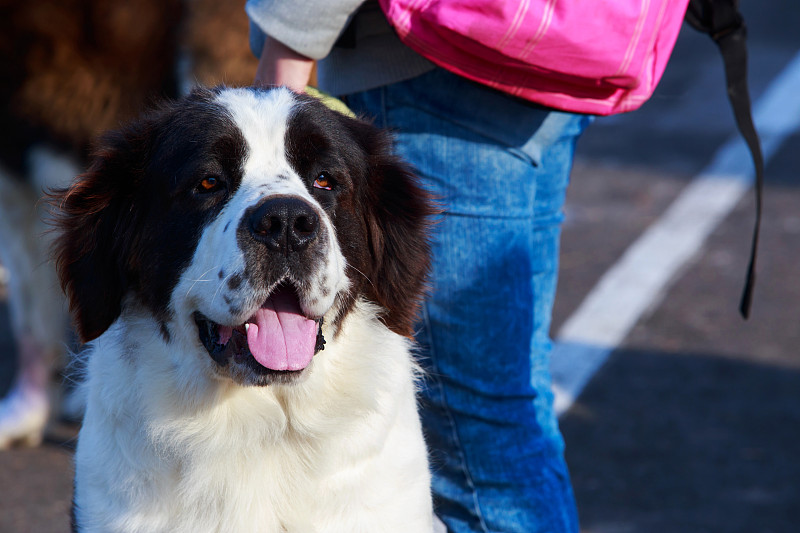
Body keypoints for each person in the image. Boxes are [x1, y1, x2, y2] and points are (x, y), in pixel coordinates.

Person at [246, 1, 593, 531]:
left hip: (437, 64)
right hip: (558, 48)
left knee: (479, 444)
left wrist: (286, 48)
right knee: (512, 404)